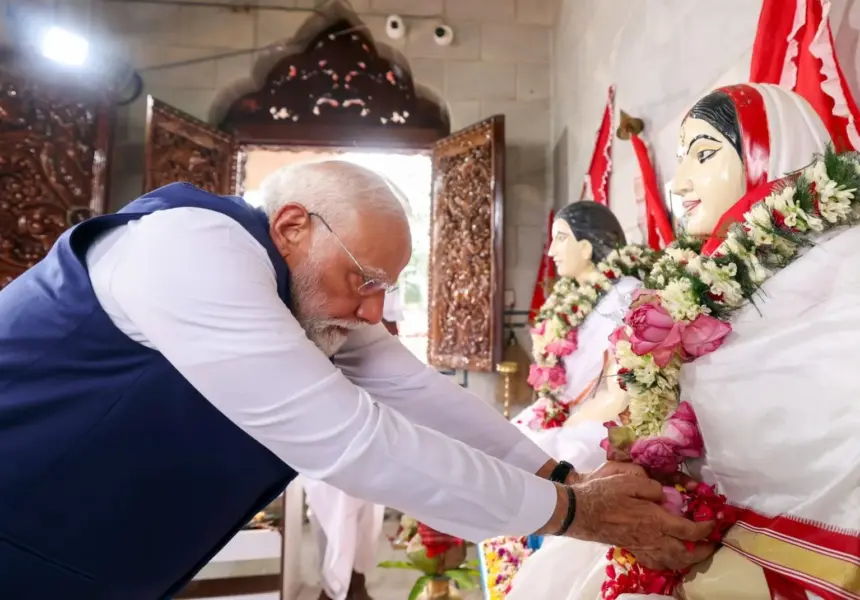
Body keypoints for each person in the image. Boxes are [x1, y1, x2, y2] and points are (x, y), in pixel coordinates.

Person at [0, 161, 712, 598]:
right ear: (291, 228)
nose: (372, 310)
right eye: (362, 281)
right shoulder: (192, 251)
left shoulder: (303, 295)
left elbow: (415, 390)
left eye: (385, 288)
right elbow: (352, 440)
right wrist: (574, 514)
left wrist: (560, 473)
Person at [506, 83, 847, 600]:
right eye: (681, 157)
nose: (682, 180)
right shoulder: (698, 278)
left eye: (705, 154)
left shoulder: (842, 266)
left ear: (774, 153)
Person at [303, 292, 404, 600]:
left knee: (367, 509)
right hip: (322, 420)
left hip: (370, 415)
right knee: (329, 508)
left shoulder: (382, 298)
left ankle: (356, 582)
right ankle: (333, 588)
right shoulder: (315, 291)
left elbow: (390, 341)